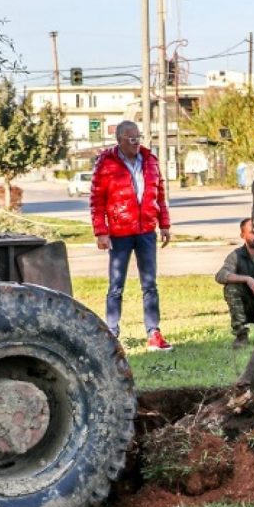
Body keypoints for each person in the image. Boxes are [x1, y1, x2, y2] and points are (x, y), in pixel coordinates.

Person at [91, 120, 173, 352]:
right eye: (131, 138)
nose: (136, 142)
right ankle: (112, 333)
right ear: (119, 140)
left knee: (150, 284)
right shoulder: (106, 163)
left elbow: (159, 194)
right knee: (116, 285)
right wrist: (101, 231)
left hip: (146, 231)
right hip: (119, 233)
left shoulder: (150, 161)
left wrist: (164, 224)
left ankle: (154, 333)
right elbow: (97, 200)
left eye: (138, 137)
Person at [215, 218, 254, 349]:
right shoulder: (236, 255)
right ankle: (241, 335)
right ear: (243, 235)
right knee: (231, 288)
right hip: (248, 305)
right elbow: (221, 275)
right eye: (252, 232)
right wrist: (247, 279)